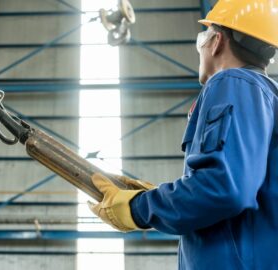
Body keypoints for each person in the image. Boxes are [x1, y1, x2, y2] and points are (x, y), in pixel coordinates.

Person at [88, 0, 278, 269]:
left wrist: (139, 208)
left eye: (203, 37)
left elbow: (224, 187)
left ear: (217, 41)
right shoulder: (264, 95)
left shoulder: (233, 82)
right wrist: (161, 197)